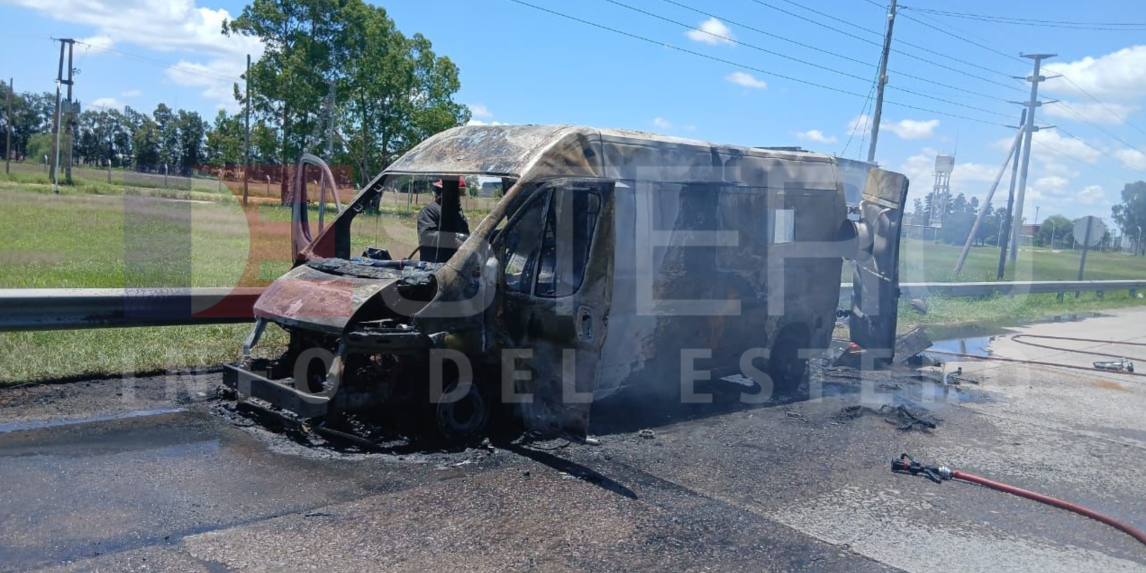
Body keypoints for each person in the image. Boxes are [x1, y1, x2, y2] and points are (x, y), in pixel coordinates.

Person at [417, 177, 470, 262]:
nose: (458, 199)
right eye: (457, 196)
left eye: (459, 196)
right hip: (433, 265)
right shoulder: (429, 211)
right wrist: (455, 240)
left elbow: (466, 236)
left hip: (456, 264)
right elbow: (426, 236)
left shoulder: (459, 215)